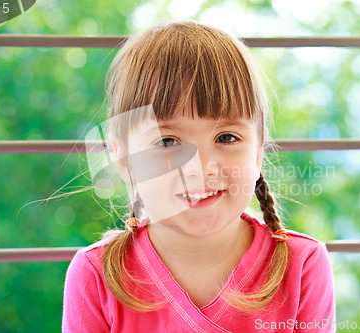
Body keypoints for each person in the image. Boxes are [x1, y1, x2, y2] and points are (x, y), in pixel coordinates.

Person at [62, 21, 335, 332]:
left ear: (259, 151)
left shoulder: (302, 266)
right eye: (167, 142)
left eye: (227, 138)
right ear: (124, 159)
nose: (200, 167)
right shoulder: (96, 275)